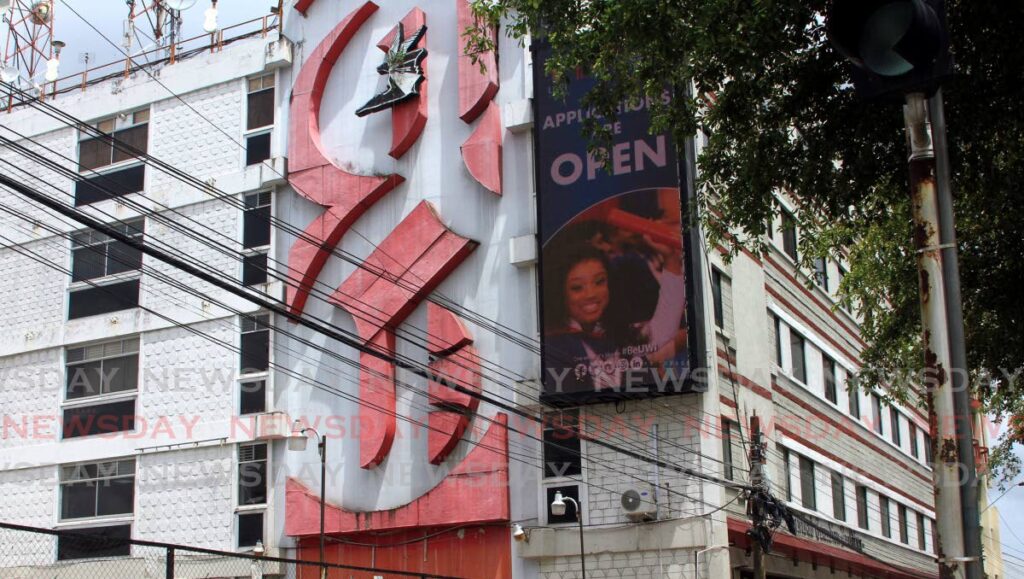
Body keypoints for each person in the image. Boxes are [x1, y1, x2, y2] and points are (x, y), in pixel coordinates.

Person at [543, 241, 687, 397]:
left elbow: (665, 325)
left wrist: (671, 259)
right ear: (560, 293)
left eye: (599, 282)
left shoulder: (624, 333)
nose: (591, 294)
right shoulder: (552, 346)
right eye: (577, 287)